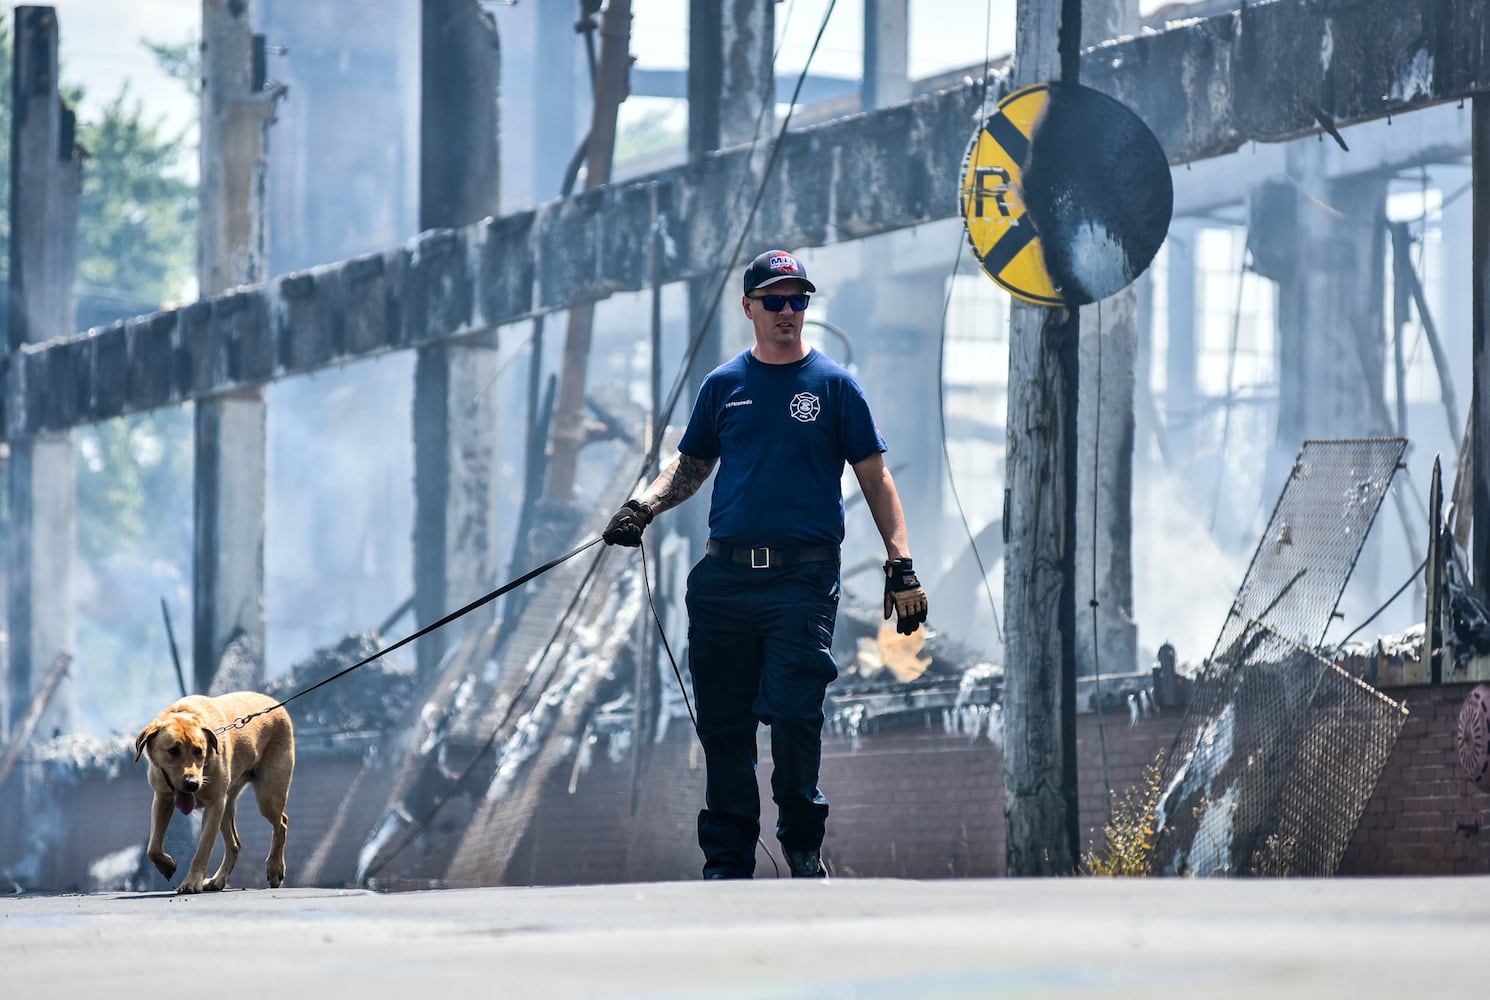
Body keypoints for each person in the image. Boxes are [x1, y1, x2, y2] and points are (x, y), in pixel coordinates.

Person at [601, 249, 928, 880]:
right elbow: (690, 466)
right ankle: (727, 863)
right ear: (748, 307)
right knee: (724, 728)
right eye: (775, 300)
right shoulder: (724, 387)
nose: (788, 312)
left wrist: (901, 564)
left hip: (801, 581)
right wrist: (641, 507)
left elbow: (875, 478)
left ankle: (802, 844)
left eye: (798, 300)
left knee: (795, 714)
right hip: (722, 582)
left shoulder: (835, 387)